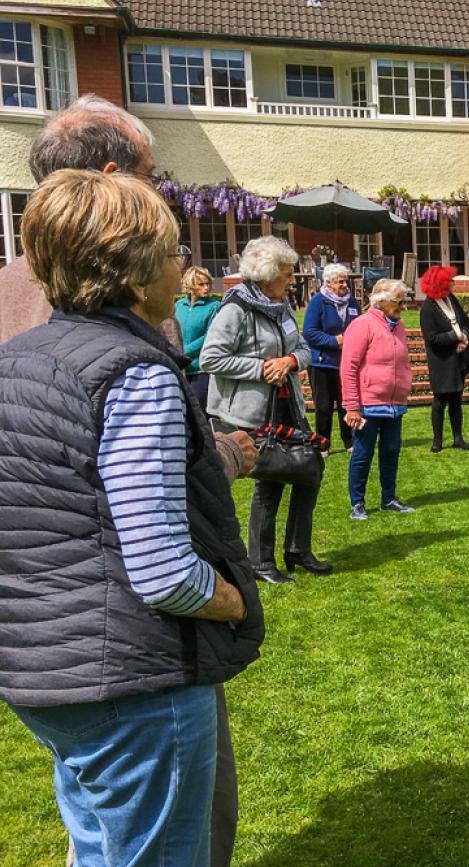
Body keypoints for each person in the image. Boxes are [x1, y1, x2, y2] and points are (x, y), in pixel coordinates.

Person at [0, 169, 263, 867]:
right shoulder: (133, 371)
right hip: (132, 678)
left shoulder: (17, 359)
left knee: (101, 847)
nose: (185, 268)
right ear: (135, 268)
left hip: (43, 669)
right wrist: (234, 600)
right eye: (176, 251)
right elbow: (162, 568)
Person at [203, 236, 331, 583]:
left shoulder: (283, 307)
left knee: (310, 470)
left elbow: (303, 347)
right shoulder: (235, 309)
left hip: (288, 407)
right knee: (272, 482)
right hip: (251, 413)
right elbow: (210, 358)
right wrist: (261, 368)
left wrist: (289, 360)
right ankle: (261, 563)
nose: (293, 281)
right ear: (266, 274)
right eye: (288, 275)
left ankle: (297, 549)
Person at [0, 95, 156, 344]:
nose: (155, 191)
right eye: (149, 175)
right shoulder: (133, 281)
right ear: (112, 179)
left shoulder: (5, 284)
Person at [341, 279, 416, 519]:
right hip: (368, 404)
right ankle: (357, 503)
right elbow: (348, 367)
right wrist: (352, 406)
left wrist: (406, 383)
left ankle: (389, 498)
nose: (402, 307)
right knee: (363, 453)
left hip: (395, 404)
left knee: (391, 451)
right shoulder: (362, 325)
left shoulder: (399, 326)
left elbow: (401, 361)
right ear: (380, 301)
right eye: (398, 301)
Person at [302, 263, 362, 454]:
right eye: (340, 281)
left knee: (346, 404)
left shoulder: (353, 303)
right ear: (328, 283)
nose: (345, 284)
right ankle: (323, 444)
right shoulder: (318, 302)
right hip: (322, 363)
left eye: (346, 280)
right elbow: (309, 332)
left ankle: (350, 442)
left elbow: (360, 327)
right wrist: (335, 341)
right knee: (324, 407)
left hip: (346, 363)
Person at [418, 265, 469, 452]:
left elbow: (465, 322)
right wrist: (455, 337)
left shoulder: (451, 300)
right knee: (440, 401)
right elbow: (432, 338)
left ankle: (458, 437)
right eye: (449, 281)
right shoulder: (428, 308)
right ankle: (437, 440)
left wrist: (464, 335)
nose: (452, 284)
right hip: (441, 361)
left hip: (457, 358)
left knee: (457, 400)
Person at [175, 265, 222, 409]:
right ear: (190, 285)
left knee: (199, 410)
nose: (206, 287)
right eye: (201, 284)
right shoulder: (179, 305)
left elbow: (210, 336)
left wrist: (184, 351)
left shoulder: (214, 306)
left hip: (202, 368)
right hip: (180, 366)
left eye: (208, 283)